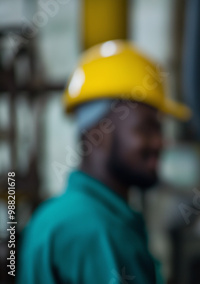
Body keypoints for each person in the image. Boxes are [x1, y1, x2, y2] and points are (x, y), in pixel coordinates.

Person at [18, 40, 190, 284]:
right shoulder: (94, 230)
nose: (160, 143)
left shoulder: (60, 214)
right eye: (146, 129)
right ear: (99, 133)